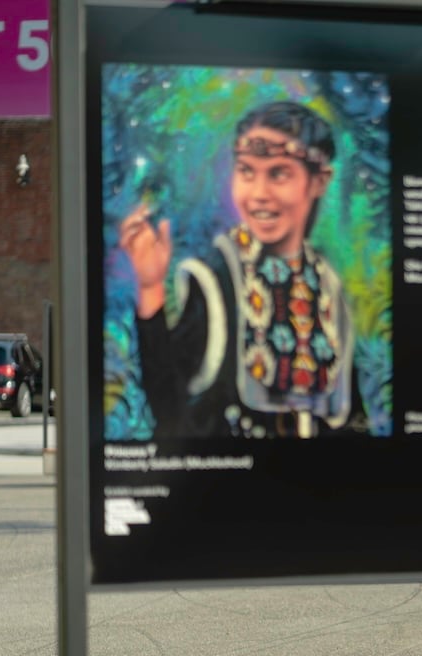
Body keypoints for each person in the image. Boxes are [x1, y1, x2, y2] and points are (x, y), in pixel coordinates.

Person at [118, 100, 362, 439]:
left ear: (320, 180)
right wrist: (150, 288)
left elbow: (352, 414)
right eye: (247, 171)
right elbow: (170, 410)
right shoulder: (216, 279)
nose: (259, 194)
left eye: (279, 174)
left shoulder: (329, 286)